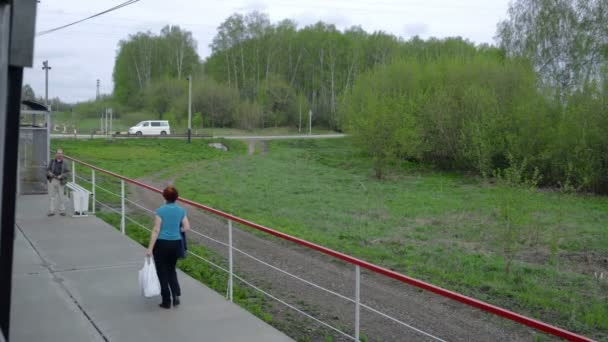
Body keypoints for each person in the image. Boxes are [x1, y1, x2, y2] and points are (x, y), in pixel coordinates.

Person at [146, 186, 190, 309]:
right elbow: (187, 227)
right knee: (171, 269)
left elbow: (156, 230)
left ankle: (166, 301)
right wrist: (177, 229)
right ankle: (176, 295)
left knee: (162, 271)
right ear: (177, 197)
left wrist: (150, 248)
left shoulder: (160, 210)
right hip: (176, 244)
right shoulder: (181, 210)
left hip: (161, 244)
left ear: (164, 197)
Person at [46, 149, 70, 216]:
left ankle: (62, 211)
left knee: (61, 196)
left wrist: (62, 175)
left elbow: (68, 172)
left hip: (61, 181)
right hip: (52, 179)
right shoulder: (52, 161)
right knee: (51, 196)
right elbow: (47, 170)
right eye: (58, 153)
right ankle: (51, 211)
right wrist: (49, 173)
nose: (59, 155)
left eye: (61, 153)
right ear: (56, 154)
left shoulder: (65, 162)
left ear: (62, 154)